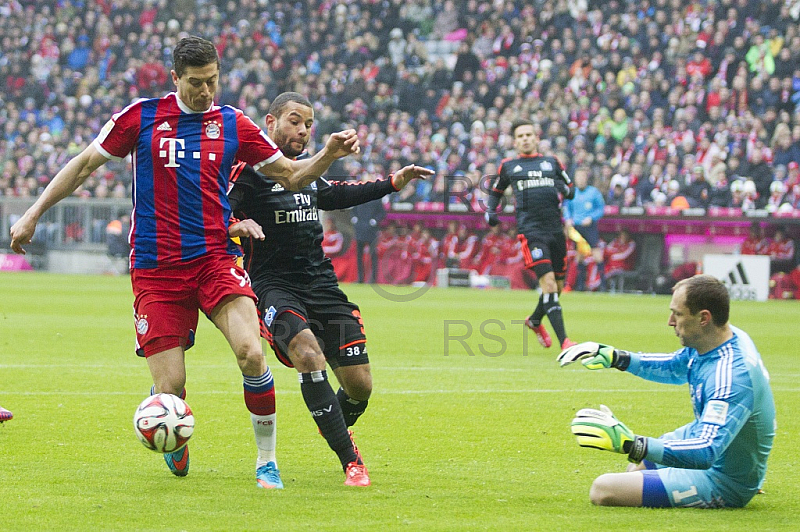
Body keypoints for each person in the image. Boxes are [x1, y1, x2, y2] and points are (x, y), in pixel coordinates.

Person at [9, 37, 360, 489]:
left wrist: (328, 153)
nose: (205, 91)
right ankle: (174, 432)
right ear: (175, 78)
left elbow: (293, 175)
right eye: (195, 83)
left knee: (252, 353)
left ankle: (266, 462)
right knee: (170, 386)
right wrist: (34, 212)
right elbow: (82, 167)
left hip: (215, 259)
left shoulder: (233, 123)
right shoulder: (141, 116)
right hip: (156, 270)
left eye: (212, 80)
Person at [226, 92, 432, 487]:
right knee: (307, 352)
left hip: (322, 285)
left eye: (307, 123)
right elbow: (215, 215)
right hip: (274, 287)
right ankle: (351, 460)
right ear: (269, 123)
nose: (302, 130)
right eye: (293, 121)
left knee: (360, 386)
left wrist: (393, 182)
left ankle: (333, 423)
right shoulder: (248, 173)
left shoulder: (308, 173)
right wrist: (234, 226)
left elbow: (340, 192)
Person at [558, 274, 775, 508]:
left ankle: (738, 486)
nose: (670, 321)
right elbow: (675, 366)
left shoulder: (732, 376)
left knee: (604, 489)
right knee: (635, 468)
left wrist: (634, 443)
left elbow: (706, 450)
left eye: (678, 314)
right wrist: (617, 357)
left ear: (704, 318)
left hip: (723, 479)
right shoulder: (720, 338)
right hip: (709, 439)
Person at [484, 118, 577, 350]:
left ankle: (535, 320)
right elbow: (495, 191)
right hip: (531, 232)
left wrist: (564, 189)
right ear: (515, 142)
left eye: (528, 135)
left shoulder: (552, 162)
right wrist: (490, 211)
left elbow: (571, 190)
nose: (525, 139)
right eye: (520, 136)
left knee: (556, 285)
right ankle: (565, 341)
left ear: (536, 138)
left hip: (556, 230)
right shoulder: (508, 166)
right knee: (548, 284)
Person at [564, 166, 606, 291]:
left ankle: (603, 286)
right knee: (579, 256)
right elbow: (566, 208)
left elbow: (601, 209)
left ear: (586, 178)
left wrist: (591, 218)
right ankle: (580, 286)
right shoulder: (572, 193)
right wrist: (568, 219)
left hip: (589, 227)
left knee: (597, 255)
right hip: (576, 228)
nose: (580, 179)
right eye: (578, 177)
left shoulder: (594, 192)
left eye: (583, 177)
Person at [350, 172, 386, 283]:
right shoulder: (358, 195)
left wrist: (374, 221)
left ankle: (373, 279)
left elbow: (382, 213)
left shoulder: (376, 196)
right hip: (360, 228)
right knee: (359, 256)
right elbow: (353, 210)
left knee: (373, 256)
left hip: (371, 230)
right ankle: (360, 279)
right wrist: (354, 218)